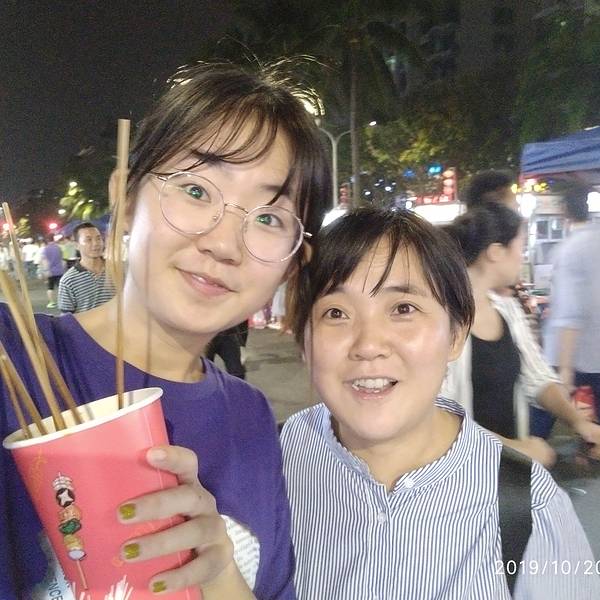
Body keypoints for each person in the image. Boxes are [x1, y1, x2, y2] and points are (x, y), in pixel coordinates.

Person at [0, 60, 329, 599]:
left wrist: (220, 575)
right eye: (197, 190)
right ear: (127, 199)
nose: (224, 244)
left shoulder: (251, 418)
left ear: (292, 263)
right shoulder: (13, 359)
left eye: (269, 219)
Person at [281, 207, 599, 599]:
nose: (368, 345)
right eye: (336, 313)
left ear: (455, 336)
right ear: (304, 341)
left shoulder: (529, 505)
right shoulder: (280, 456)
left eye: (403, 309)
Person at [442, 203, 600, 466]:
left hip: (508, 474)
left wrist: (579, 422)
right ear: (495, 252)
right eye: (520, 247)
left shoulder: (508, 310)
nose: (522, 257)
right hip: (461, 474)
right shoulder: (442, 318)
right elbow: (436, 415)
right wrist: (514, 449)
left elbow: (537, 378)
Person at [544, 185, 600, 432]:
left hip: (572, 355)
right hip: (594, 355)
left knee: (541, 420)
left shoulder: (570, 250)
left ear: (564, 210)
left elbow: (570, 313)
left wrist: (565, 372)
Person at [57, 222, 115, 313]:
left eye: (98, 238)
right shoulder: (68, 281)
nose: (95, 243)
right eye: (88, 240)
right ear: (76, 245)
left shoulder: (118, 270)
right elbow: (66, 318)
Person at [40, 234, 66, 308]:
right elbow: (62, 259)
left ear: (47, 240)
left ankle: (52, 302)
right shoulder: (58, 248)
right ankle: (63, 302)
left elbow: (44, 261)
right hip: (60, 270)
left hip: (50, 271)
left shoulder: (45, 249)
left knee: (50, 288)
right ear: (53, 239)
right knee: (61, 287)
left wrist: (45, 271)